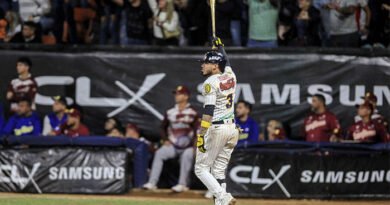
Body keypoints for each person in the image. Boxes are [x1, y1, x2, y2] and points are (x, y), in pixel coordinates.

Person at [195, 37, 239, 205]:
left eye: (205, 63)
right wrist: (221, 47)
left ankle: (224, 196)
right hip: (232, 129)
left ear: (214, 66)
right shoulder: (231, 76)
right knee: (218, 170)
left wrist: (202, 133)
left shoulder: (210, 82)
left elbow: (209, 111)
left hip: (217, 129)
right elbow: (226, 61)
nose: (202, 65)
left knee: (200, 168)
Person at [143, 85, 199, 193]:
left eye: (179, 94)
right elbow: (162, 127)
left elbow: (198, 130)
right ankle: (152, 183)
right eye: (176, 94)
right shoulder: (170, 112)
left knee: (187, 155)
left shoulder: (193, 113)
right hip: (173, 145)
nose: (176, 96)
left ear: (186, 96)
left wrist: (195, 145)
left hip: (188, 146)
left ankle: (182, 184)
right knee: (160, 153)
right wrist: (165, 139)